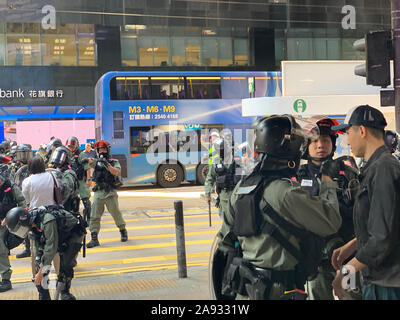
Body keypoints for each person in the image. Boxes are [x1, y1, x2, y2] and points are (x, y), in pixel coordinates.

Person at [214, 115, 342, 300]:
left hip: (247, 291)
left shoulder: (241, 189)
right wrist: (328, 183)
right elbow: (331, 221)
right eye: (298, 144)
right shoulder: (286, 192)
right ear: (286, 149)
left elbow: (224, 243)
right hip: (280, 291)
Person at [331, 105, 400, 300]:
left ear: (362, 130)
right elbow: (388, 221)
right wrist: (354, 245)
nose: (347, 140)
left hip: (388, 284)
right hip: (381, 280)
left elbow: (382, 236)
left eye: (348, 132)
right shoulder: (375, 168)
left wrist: (348, 270)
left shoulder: (384, 168)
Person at [297, 117, 361, 300]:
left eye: (325, 140)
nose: (320, 145)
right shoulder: (296, 178)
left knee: (351, 297)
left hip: (347, 256)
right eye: (315, 141)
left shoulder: (348, 173)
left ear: (332, 144)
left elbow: (363, 211)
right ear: (306, 146)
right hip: (315, 259)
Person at [5, 205, 85, 300]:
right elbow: (37, 248)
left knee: (65, 265)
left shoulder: (47, 221)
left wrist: (41, 271)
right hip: (56, 235)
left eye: (19, 229)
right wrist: (40, 270)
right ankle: (44, 296)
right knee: (39, 267)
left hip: (72, 234)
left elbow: (51, 248)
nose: (20, 232)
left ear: (23, 222)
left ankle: (65, 292)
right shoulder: (31, 226)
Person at [21, 156, 60, 279]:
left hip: (35, 219)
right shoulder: (52, 176)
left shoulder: (27, 181)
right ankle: (59, 275)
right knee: (54, 247)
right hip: (52, 215)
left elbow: (26, 200)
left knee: (35, 248)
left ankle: (37, 277)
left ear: (30, 167)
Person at [86, 140, 127, 248]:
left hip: (110, 192)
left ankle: (123, 230)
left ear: (107, 150)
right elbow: (89, 161)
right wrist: (85, 159)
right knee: (94, 216)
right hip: (99, 192)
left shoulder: (114, 161)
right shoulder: (97, 161)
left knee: (116, 214)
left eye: (103, 149)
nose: (102, 151)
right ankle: (94, 238)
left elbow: (116, 172)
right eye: (99, 149)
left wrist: (107, 164)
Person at [0, 164, 26, 292]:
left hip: (6, 223)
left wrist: (11, 217)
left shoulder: (11, 187)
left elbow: (22, 203)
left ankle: (6, 279)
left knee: (1, 250)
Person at [66, 137, 92, 223]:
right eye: (69, 146)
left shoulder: (81, 155)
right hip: (72, 181)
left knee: (85, 200)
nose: (71, 148)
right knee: (73, 200)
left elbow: (87, 168)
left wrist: (88, 179)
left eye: (72, 146)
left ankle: (89, 218)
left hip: (81, 181)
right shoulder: (67, 155)